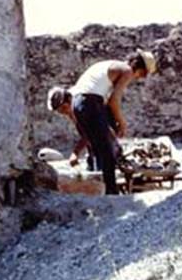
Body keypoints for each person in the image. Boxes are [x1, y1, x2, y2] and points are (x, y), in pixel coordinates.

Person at [47, 49, 157, 195]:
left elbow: (104, 107)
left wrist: (111, 126)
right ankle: (111, 192)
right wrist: (122, 123)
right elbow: (114, 101)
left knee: (100, 145)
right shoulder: (127, 70)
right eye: (142, 74)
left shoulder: (110, 67)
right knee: (106, 150)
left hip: (84, 103)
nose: (138, 78)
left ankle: (100, 180)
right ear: (139, 68)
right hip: (90, 102)